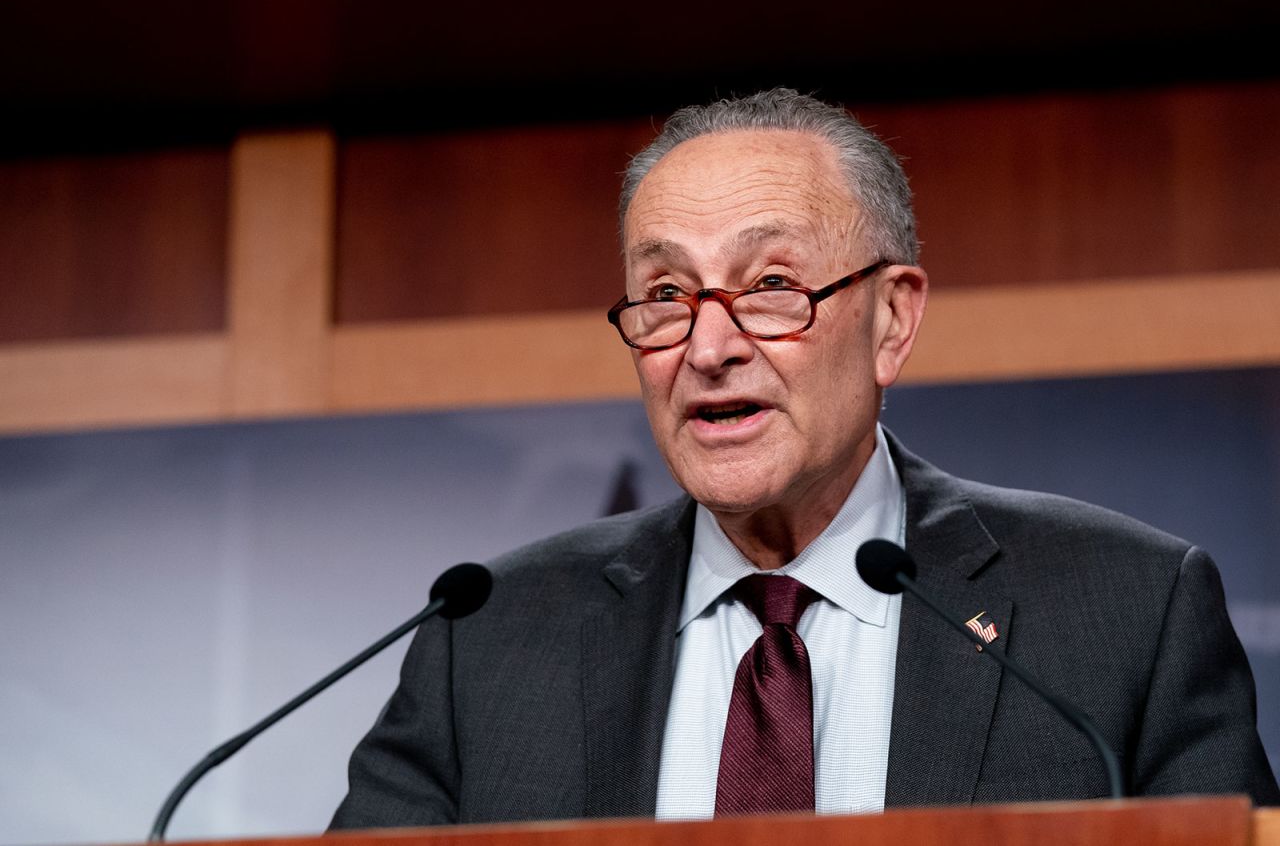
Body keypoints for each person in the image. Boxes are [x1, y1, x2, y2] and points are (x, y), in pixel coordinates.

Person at [329, 88, 1278, 828]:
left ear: (892, 319)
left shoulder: (1126, 613)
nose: (708, 348)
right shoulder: (487, 642)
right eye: (664, 293)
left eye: (772, 285)